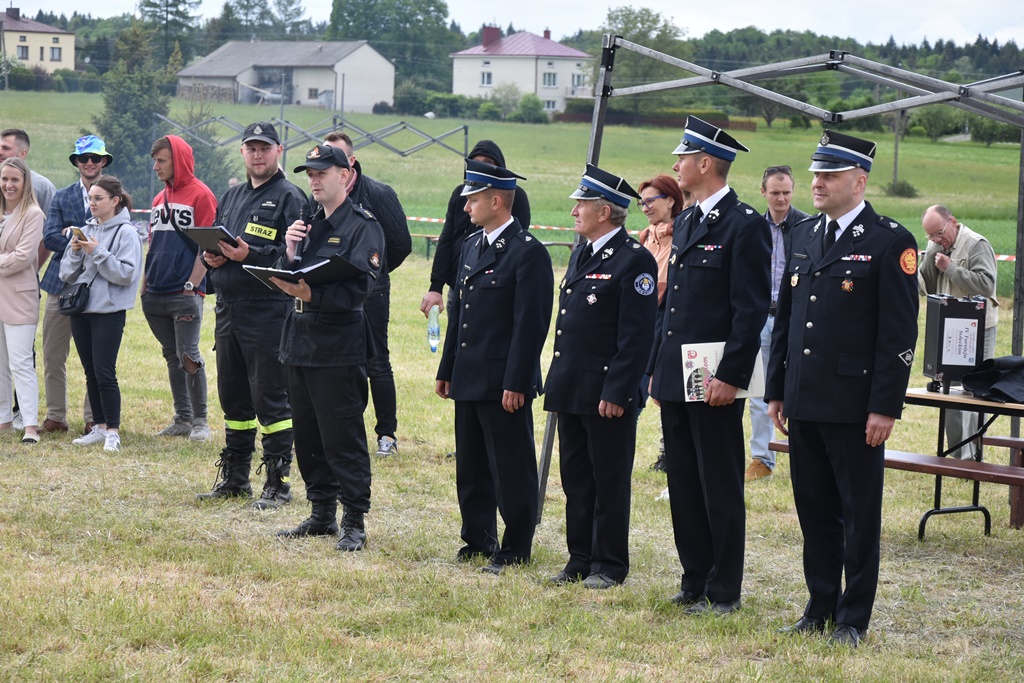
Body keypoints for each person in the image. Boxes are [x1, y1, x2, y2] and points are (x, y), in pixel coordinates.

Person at [766, 131, 920, 647]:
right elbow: (787, 320)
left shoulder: (888, 241)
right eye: (816, 173)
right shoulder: (805, 234)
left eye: (829, 175)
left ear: (859, 181)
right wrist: (777, 388)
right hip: (805, 398)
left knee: (858, 515)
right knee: (814, 512)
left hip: (854, 407)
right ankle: (819, 606)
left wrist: (885, 406)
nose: (817, 183)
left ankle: (853, 619)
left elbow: (898, 334)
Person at [648, 116, 770, 615]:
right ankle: (694, 577)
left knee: (718, 483)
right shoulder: (688, 221)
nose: (676, 166)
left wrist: (731, 376)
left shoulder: (744, 224)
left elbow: (750, 310)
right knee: (682, 480)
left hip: (715, 376)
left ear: (704, 164)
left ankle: (724, 589)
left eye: (683, 157)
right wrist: (656, 368)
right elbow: (673, 305)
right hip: (677, 373)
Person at [435, 159, 553, 575]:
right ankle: (478, 538)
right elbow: (460, 314)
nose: (466, 206)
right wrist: (447, 368)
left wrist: (517, 381)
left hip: (503, 379)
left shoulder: (527, 252)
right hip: (469, 374)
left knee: (511, 467)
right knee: (471, 465)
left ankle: (515, 546)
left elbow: (531, 325)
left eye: (473, 199)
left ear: (497, 201)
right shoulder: (471, 245)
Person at [543, 165, 657, 589]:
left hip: (607, 391)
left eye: (582, 204)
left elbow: (636, 336)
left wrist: (619, 390)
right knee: (576, 478)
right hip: (573, 385)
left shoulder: (634, 260)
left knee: (608, 480)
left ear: (604, 211)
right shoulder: (582, 253)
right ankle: (579, 558)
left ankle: (609, 564)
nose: (575, 211)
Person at [273, 144, 385, 552]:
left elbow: (360, 289)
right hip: (300, 339)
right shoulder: (308, 223)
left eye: (322, 173)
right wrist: (289, 253)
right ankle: (321, 512)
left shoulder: (362, 226)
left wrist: (313, 295)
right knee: (308, 434)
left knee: (342, 435)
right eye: (310, 174)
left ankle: (354, 519)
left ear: (345, 175)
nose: (314, 181)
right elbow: (290, 276)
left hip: (338, 344)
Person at [197, 122, 306, 508]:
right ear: (243, 152)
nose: (257, 155)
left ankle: (278, 484)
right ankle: (235, 478)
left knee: (271, 400)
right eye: (251, 148)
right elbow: (218, 243)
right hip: (228, 310)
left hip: (267, 313)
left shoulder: (290, 197)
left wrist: (250, 255)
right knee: (234, 399)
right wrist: (210, 258)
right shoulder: (231, 195)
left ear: (279, 151)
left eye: (264, 148)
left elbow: (296, 260)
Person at [324, 132, 411, 458]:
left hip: (371, 292)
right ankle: (344, 428)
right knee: (339, 360)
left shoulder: (378, 194)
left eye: (335, 157)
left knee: (376, 361)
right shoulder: (318, 196)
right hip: (331, 292)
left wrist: (375, 273)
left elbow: (401, 243)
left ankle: (386, 434)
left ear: (351, 163)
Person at [61, 176, 143, 452]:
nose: (92, 203)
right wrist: (75, 251)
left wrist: (98, 252)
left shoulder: (127, 233)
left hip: (109, 311)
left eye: (98, 198)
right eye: (90, 198)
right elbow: (66, 273)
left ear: (115, 201)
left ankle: (113, 432)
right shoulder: (85, 229)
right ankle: (98, 427)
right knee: (90, 372)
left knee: (105, 372)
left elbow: (126, 274)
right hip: (81, 309)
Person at [143, 135, 215, 442]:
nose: (156, 167)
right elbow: (152, 243)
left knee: (188, 356)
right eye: (155, 161)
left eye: (162, 161)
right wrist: (145, 285)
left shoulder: (201, 195)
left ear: (179, 161)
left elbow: (208, 246)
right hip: (155, 293)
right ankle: (182, 419)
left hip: (184, 293)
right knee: (172, 355)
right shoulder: (159, 198)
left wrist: (191, 285)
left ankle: (200, 421)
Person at [745, 166, 809, 482]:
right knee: (759, 391)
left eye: (786, 192)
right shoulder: (753, 228)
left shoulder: (809, 228)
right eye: (775, 193)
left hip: (796, 321)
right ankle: (762, 459)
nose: (781, 198)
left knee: (798, 388)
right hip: (761, 318)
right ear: (764, 193)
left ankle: (807, 454)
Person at [41, 135, 109, 435]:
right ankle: (56, 416)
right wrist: (79, 240)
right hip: (60, 285)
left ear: (103, 160)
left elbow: (115, 238)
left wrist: (73, 235)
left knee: (96, 358)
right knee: (53, 355)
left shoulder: (115, 196)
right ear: (76, 162)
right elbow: (49, 237)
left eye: (95, 157)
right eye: (84, 158)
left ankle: (94, 418)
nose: (89, 163)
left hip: (98, 285)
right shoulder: (61, 196)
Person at [919, 204, 998, 460]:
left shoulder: (976, 244)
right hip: (950, 328)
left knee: (975, 391)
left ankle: (973, 456)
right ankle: (957, 457)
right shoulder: (935, 247)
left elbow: (986, 285)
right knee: (949, 391)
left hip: (978, 329)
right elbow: (924, 285)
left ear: (952, 221)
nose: (936, 239)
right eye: (930, 235)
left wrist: (950, 268)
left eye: (939, 233)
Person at [420, 140, 531, 317]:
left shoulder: (515, 197)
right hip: (458, 285)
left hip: (495, 289)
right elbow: (446, 240)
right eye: (476, 162)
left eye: (487, 163)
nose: (467, 207)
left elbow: (516, 247)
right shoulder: (459, 195)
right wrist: (436, 287)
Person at [636, 174, 684, 472]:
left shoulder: (684, 235)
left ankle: (670, 453)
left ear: (671, 200)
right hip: (643, 322)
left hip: (668, 321)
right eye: (641, 203)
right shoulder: (645, 237)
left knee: (667, 394)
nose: (645, 207)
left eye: (651, 201)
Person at [0, 157, 44, 444]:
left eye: (15, 179)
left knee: (21, 364)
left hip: (19, 298)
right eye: (4, 178)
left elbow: (24, 257)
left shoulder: (33, 214)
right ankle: (3, 419)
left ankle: (30, 426)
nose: (9, 185)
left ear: (25, 182)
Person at [0, 128, 55, 214]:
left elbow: (51, 220)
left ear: (22, 154)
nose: (0, 152)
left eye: (6, 148)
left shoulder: (42, 186)